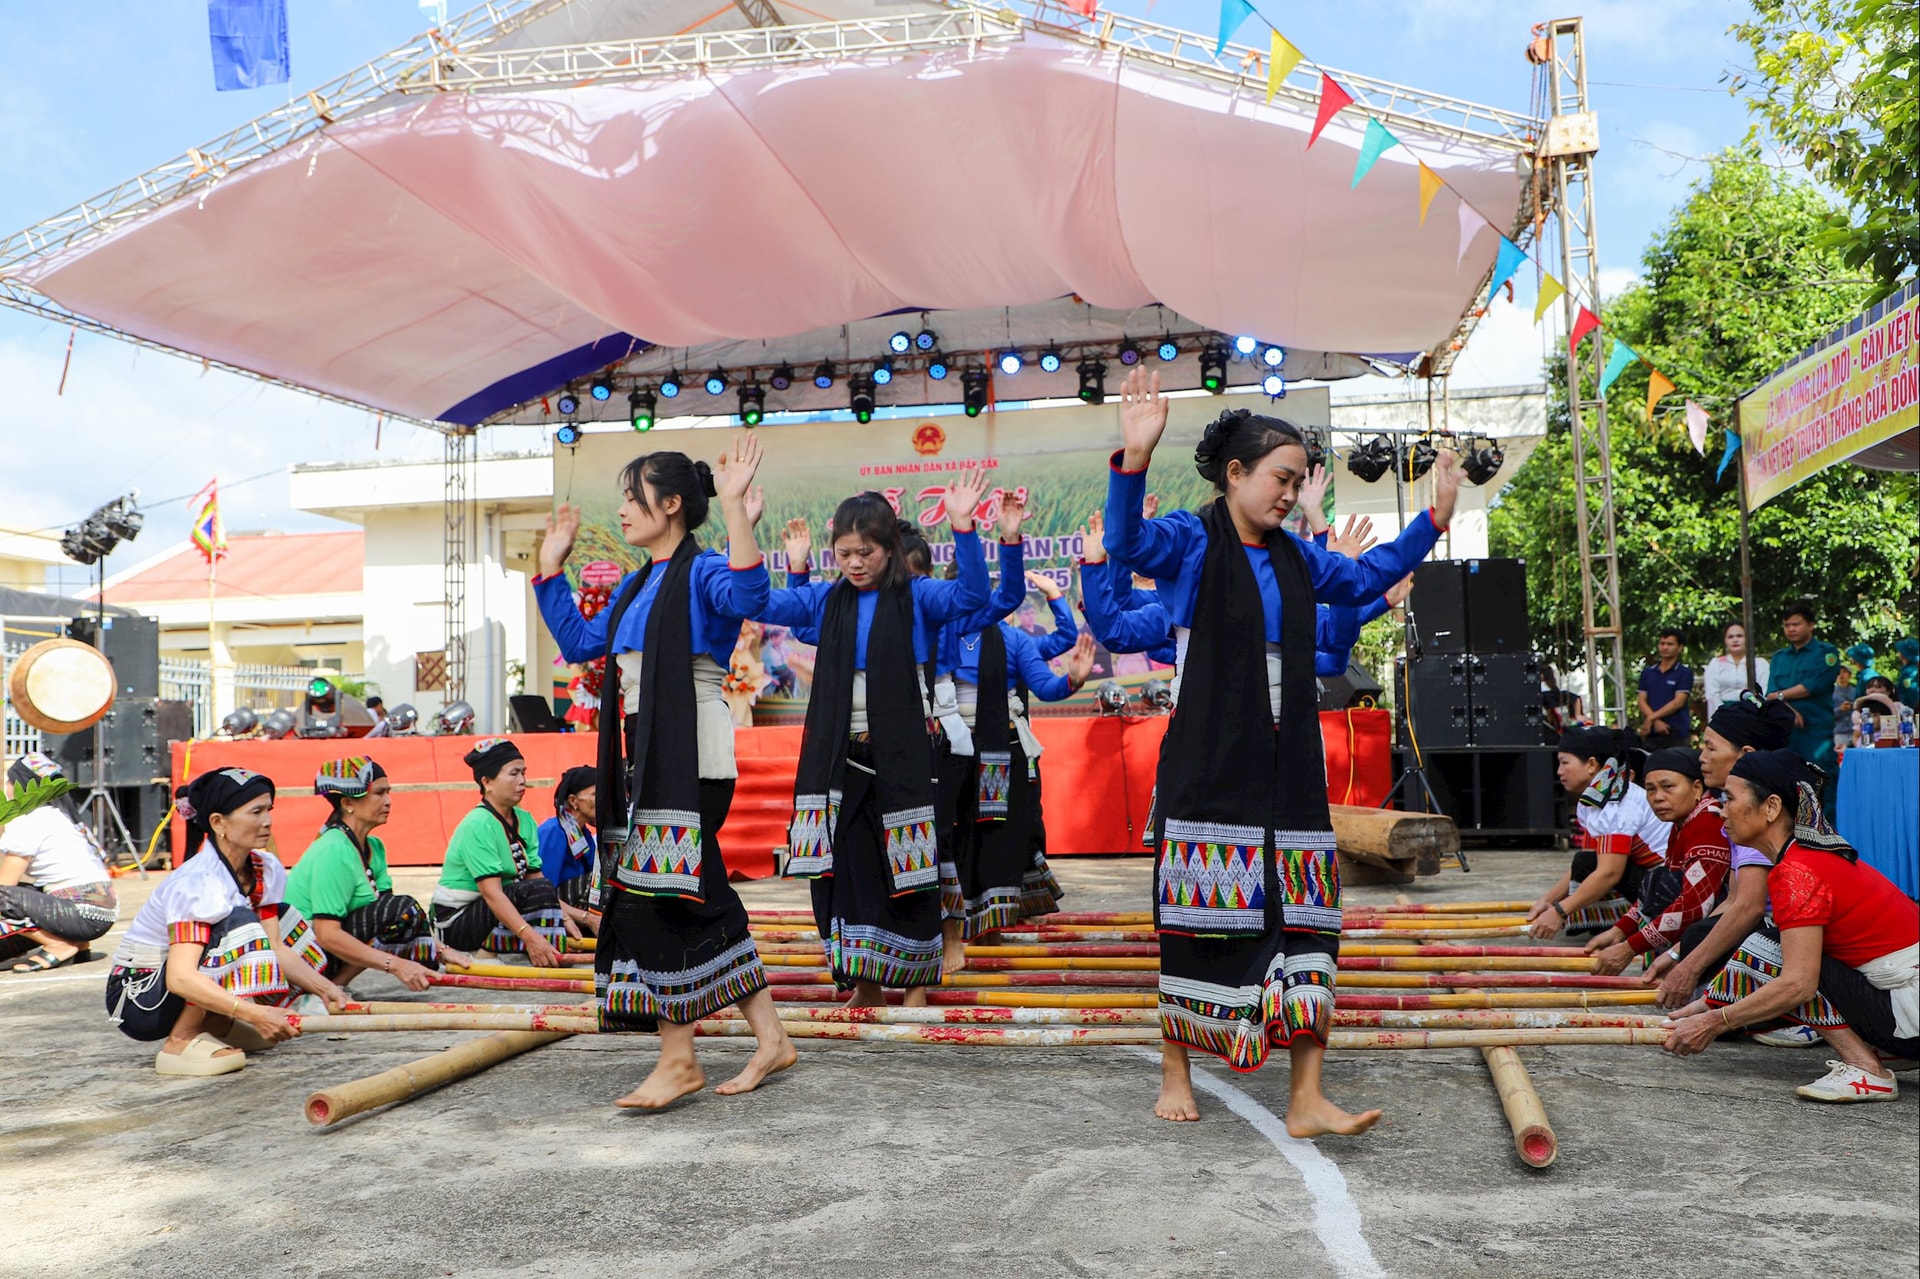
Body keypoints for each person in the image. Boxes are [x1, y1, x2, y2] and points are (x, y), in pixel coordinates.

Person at [1103, 368, 1456, 1133]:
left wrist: (1434, 517)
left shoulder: (1298, 557)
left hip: (1287, 759)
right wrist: (1134, 457)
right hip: (1209, 760)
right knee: (1198, 916)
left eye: (1298, 483)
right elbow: (1126, 542)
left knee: (1309, 915)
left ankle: (1306, 1096)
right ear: (1235, 473)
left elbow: (1365, 576)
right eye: (1280, 479)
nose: (1291, 495)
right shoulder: (1191, 540)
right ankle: (1176, 1067)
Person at [534, 439, 799, 1107]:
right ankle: (769, 1038)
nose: (623, 509)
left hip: (691, 753)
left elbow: (751, 592)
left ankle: (680, 1058)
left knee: (652, 895)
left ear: (673, 503)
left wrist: (734, 508)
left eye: (634, 497)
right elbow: (580, 644)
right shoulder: (637, 581)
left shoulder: (704, 571)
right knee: (693, 894)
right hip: (648, 751)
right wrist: (550, 569)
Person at [761, 473, 991, 1007]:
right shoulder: (827, 600)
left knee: (909, 867)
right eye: (844, 554)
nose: (855, 564)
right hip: (840, 756)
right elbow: (762, 603)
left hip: (904, 754)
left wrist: (963, 526)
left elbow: (974, 594)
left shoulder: (919, 597)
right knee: (847, 870)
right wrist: (758, 534)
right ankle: (864, 983)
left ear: (890, 549)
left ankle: (915, 983)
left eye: (865, 553)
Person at [1662, 750, 1918, 1101]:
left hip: (1909, 1014)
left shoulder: (1796, 870)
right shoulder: (1808, 856)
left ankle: (1868, 1069)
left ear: (1771, 807)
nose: (1722, 810)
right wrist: (1702, 1008)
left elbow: (1798, 985)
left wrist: (1713, 1022)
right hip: (1907, 1009)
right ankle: (1884, 1051)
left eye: (1730, 799)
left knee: (1777, 956)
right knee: (1769, 941)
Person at [103, 768, 348, 1076]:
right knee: (237, 922)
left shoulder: (264, 868)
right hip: (141, 1000)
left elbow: (275, 946)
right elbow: (179, 977)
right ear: (218, 823)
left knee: (284, 921)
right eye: (256, 812)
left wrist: (326, 989)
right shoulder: (198, 881)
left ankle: (217, 1023)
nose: (268, 821)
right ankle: (181, 1039)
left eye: (269, 810)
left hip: (172, 989)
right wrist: (254, 1013)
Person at [285, 756, 460, 991]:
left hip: (325, 949)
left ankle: (336, 986)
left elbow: (386, 913)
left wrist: (444, 951)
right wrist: (396, 965)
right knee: (402, 908)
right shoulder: (334, 849)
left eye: (388, 792)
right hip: (300, 957)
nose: (388, 801)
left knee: (404, 914)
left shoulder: (374, 847)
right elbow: (327, 935)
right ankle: (325, 990)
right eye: (379, 793)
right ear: (348, 803)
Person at [1583, 749, 1731, 976]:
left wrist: (1629, 948)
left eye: (1668, 787)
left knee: (1663, 883)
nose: (1658, 797)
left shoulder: (1707, 825)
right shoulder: (1685, 823)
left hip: (1729, 927)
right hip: (1706, 923)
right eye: (1650, 789)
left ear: (1696, 788)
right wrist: (1620, 931)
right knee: (1658, 879)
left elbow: (1693, 906)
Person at [429, 739, 568, 967]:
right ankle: (484, 952)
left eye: (523, 772)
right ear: (487, 782)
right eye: (513, 774)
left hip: (492, 909)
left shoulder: (525, 819)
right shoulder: (478, 824)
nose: (522, 781)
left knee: (542, 889)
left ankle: (546, 952)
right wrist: (531, 938)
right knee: (527, 891)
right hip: (457, 922)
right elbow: (491, 893)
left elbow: (536, 880)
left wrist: (568, 918)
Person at [1529, 725, 1668, 940]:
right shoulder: (1594, 798)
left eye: (1565, 763)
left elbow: (1609, 873)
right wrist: (1548, 901)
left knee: (1596, 867)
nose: (1559, 771)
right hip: (1645, 877)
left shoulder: (1616, 803)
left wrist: (1559, 911)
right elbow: (1591, 860)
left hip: (1664, 886)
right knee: (1584, 862)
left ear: (1592, 765)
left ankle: (1627, 926)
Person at [0, 753, 118, 971]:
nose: (5, 787)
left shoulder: (30, 821)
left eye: (8, 781)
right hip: (100, 914)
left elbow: (5, 884)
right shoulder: (58, 815)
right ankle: (78, 945)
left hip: (81, 915)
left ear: (21, 786)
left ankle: (57, 945)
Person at [1766, 602, 1841, 777]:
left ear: (1811, 625)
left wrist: (1781, 696)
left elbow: (1812, 686)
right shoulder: (1779, 657)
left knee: (1820, 775)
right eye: (1787, 625)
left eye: (1796, 624)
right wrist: (1789, 711)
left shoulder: (1826, 653)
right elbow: (1771, 693)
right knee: (1787, 777)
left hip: (1816, 729)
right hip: (1785, 730)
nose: (1791, 629)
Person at [536, 765, 600, 933]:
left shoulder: (584, 834)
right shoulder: (553, 831)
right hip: (553, 911)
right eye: (595, 794)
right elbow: (541, 892)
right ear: (573, 801)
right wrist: (588, 918)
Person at [1636, 629, 1695, 743]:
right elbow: (1641, 700)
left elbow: (1678, 702)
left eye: (1670, 644)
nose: (1665, 647)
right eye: (1662, 643)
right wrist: (1655, 721)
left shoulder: (1684, 673)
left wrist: (1651, 718)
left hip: (1677, 733)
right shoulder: (1648, 672)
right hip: (1652, 733)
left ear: (1680, 647)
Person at [1701, 622, 1769, 713]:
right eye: (1730, 637)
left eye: (1739, 636)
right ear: (1725, 640)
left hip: (1752, 712)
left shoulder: (1760, 664)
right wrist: (1722, 714)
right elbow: (1712, 695)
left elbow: (1764, 692)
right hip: (1722, 713)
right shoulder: (1715, 664)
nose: (1735, 640)